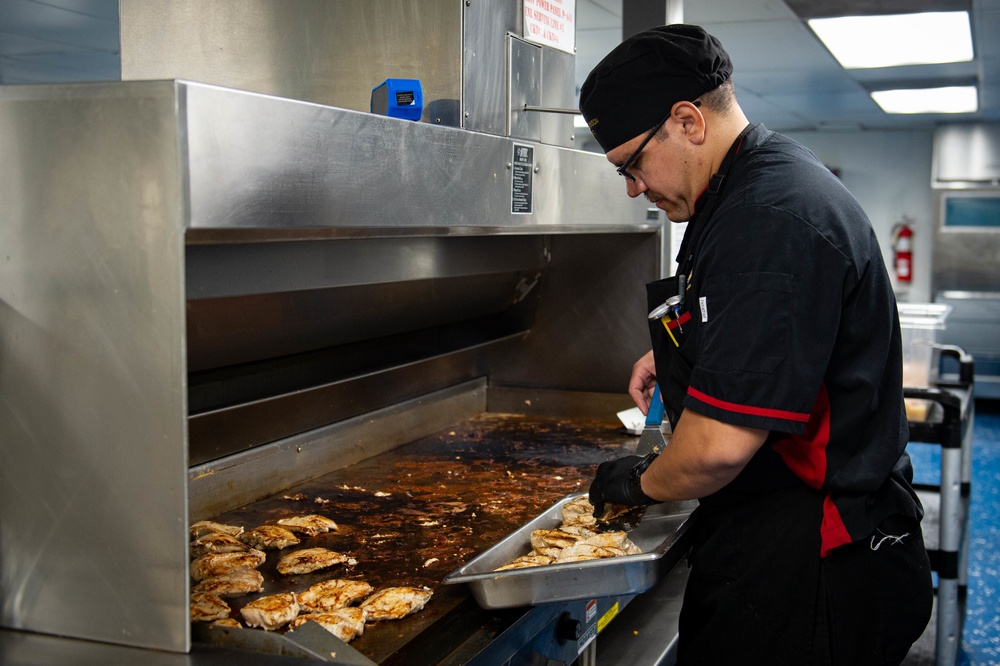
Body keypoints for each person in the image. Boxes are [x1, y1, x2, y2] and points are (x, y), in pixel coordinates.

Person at [581, 25, 933, 665]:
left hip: (814, 560)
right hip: (783, 539)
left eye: (632, 163)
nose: (634, 187)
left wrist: (636, 484)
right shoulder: (754, 183)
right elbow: (762, 321)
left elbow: (715, 452)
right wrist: (687, 350)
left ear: (687, 121)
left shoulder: (768, 218)